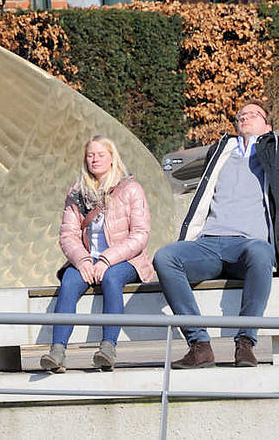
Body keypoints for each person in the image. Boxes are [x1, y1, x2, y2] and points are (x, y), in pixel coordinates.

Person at [153, 100, 279, 369]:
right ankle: (199, 345)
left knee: (260, 253)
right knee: (166, 257)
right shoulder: (223, 151)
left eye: (252, 115)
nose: (244, 117)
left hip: (249, 245)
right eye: (240, 115)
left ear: (267, 125)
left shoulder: (273, 152)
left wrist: (268, 143)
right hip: (210, 243)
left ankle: (245, 342)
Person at [40, 136, 152, 373]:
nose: (95, 160)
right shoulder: (77, 192)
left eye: (101, 155)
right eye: (90, 155)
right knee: (69, 281)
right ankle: (57, 351)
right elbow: (68, 234)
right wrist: (82, 261)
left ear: (112, 158)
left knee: (112, 278)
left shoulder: (131, 189)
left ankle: (108, 348)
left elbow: (140, 235)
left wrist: (106, 259)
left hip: (126, 259)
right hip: (88, 258)